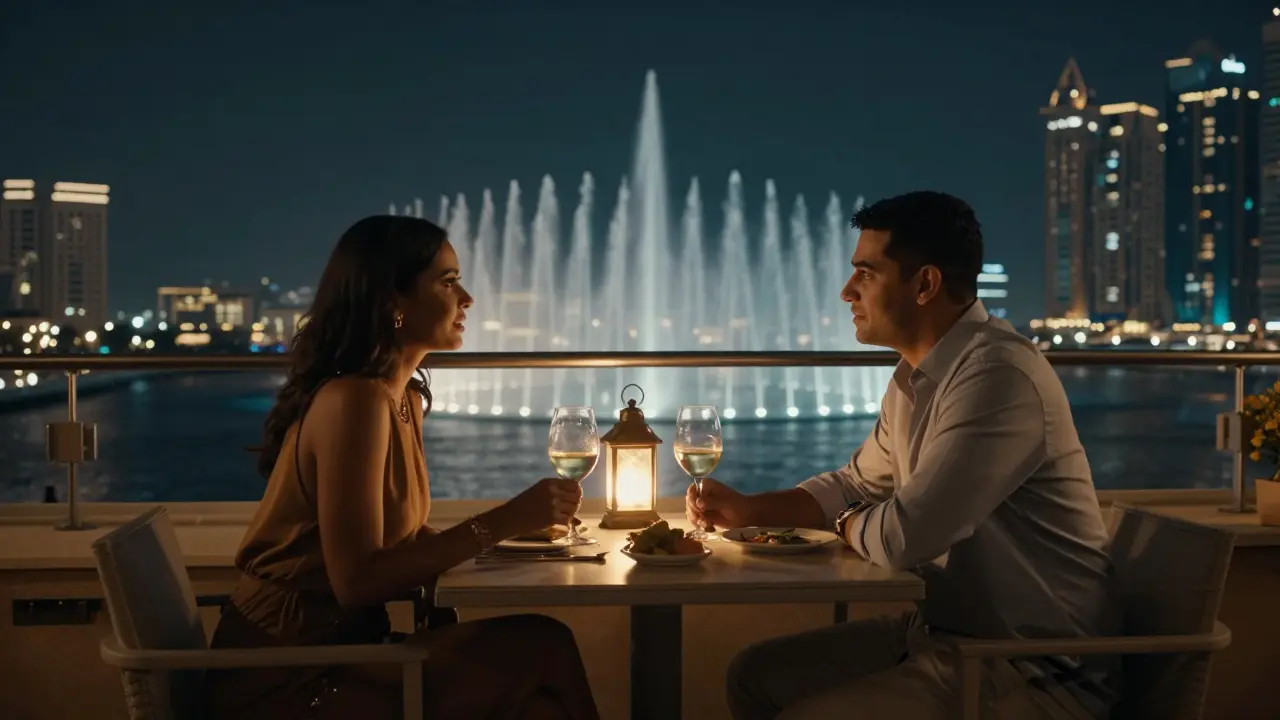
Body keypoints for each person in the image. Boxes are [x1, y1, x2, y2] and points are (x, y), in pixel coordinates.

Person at [688, 192, 1119, 719]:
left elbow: (903, 536)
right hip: (945, 637)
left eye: (866, 274)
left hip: (1032, 670)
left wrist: (846, 521)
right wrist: (752, 511)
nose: (847, 292)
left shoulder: (998, 376)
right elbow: (856, 485)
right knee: (756, 676)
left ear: (925, 284)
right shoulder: (917, 378)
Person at [206, 215, 601, 720]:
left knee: (540, 707)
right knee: (546, 644)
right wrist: (503, 520)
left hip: (344, 649)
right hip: (287, 670)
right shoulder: (355, 400)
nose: (469, 299)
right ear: (393, 301)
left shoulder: (403, 399)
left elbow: (400, 541)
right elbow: (358, 582)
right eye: (448, 281)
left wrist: (511, 538)